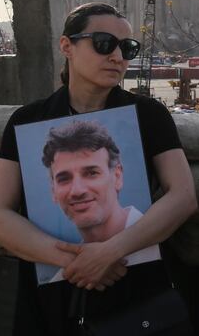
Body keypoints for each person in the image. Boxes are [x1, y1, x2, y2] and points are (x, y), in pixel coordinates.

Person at [0, 2, 197, 335]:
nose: (117, 57)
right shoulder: (28, 121)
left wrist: (112, 251)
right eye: (103, 43)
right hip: (50, 295)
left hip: (137, 289)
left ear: (117, 174)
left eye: (128, 48)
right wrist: (80, 262)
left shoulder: (149, 115)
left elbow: (183, 196)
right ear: (66, 46)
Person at [41, 120, 160, 282]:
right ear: (53, 191)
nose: (77, 191)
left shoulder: (161, 245)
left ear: (117, 176)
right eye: (64, 179)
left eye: (91, 173)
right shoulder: (59, 280)